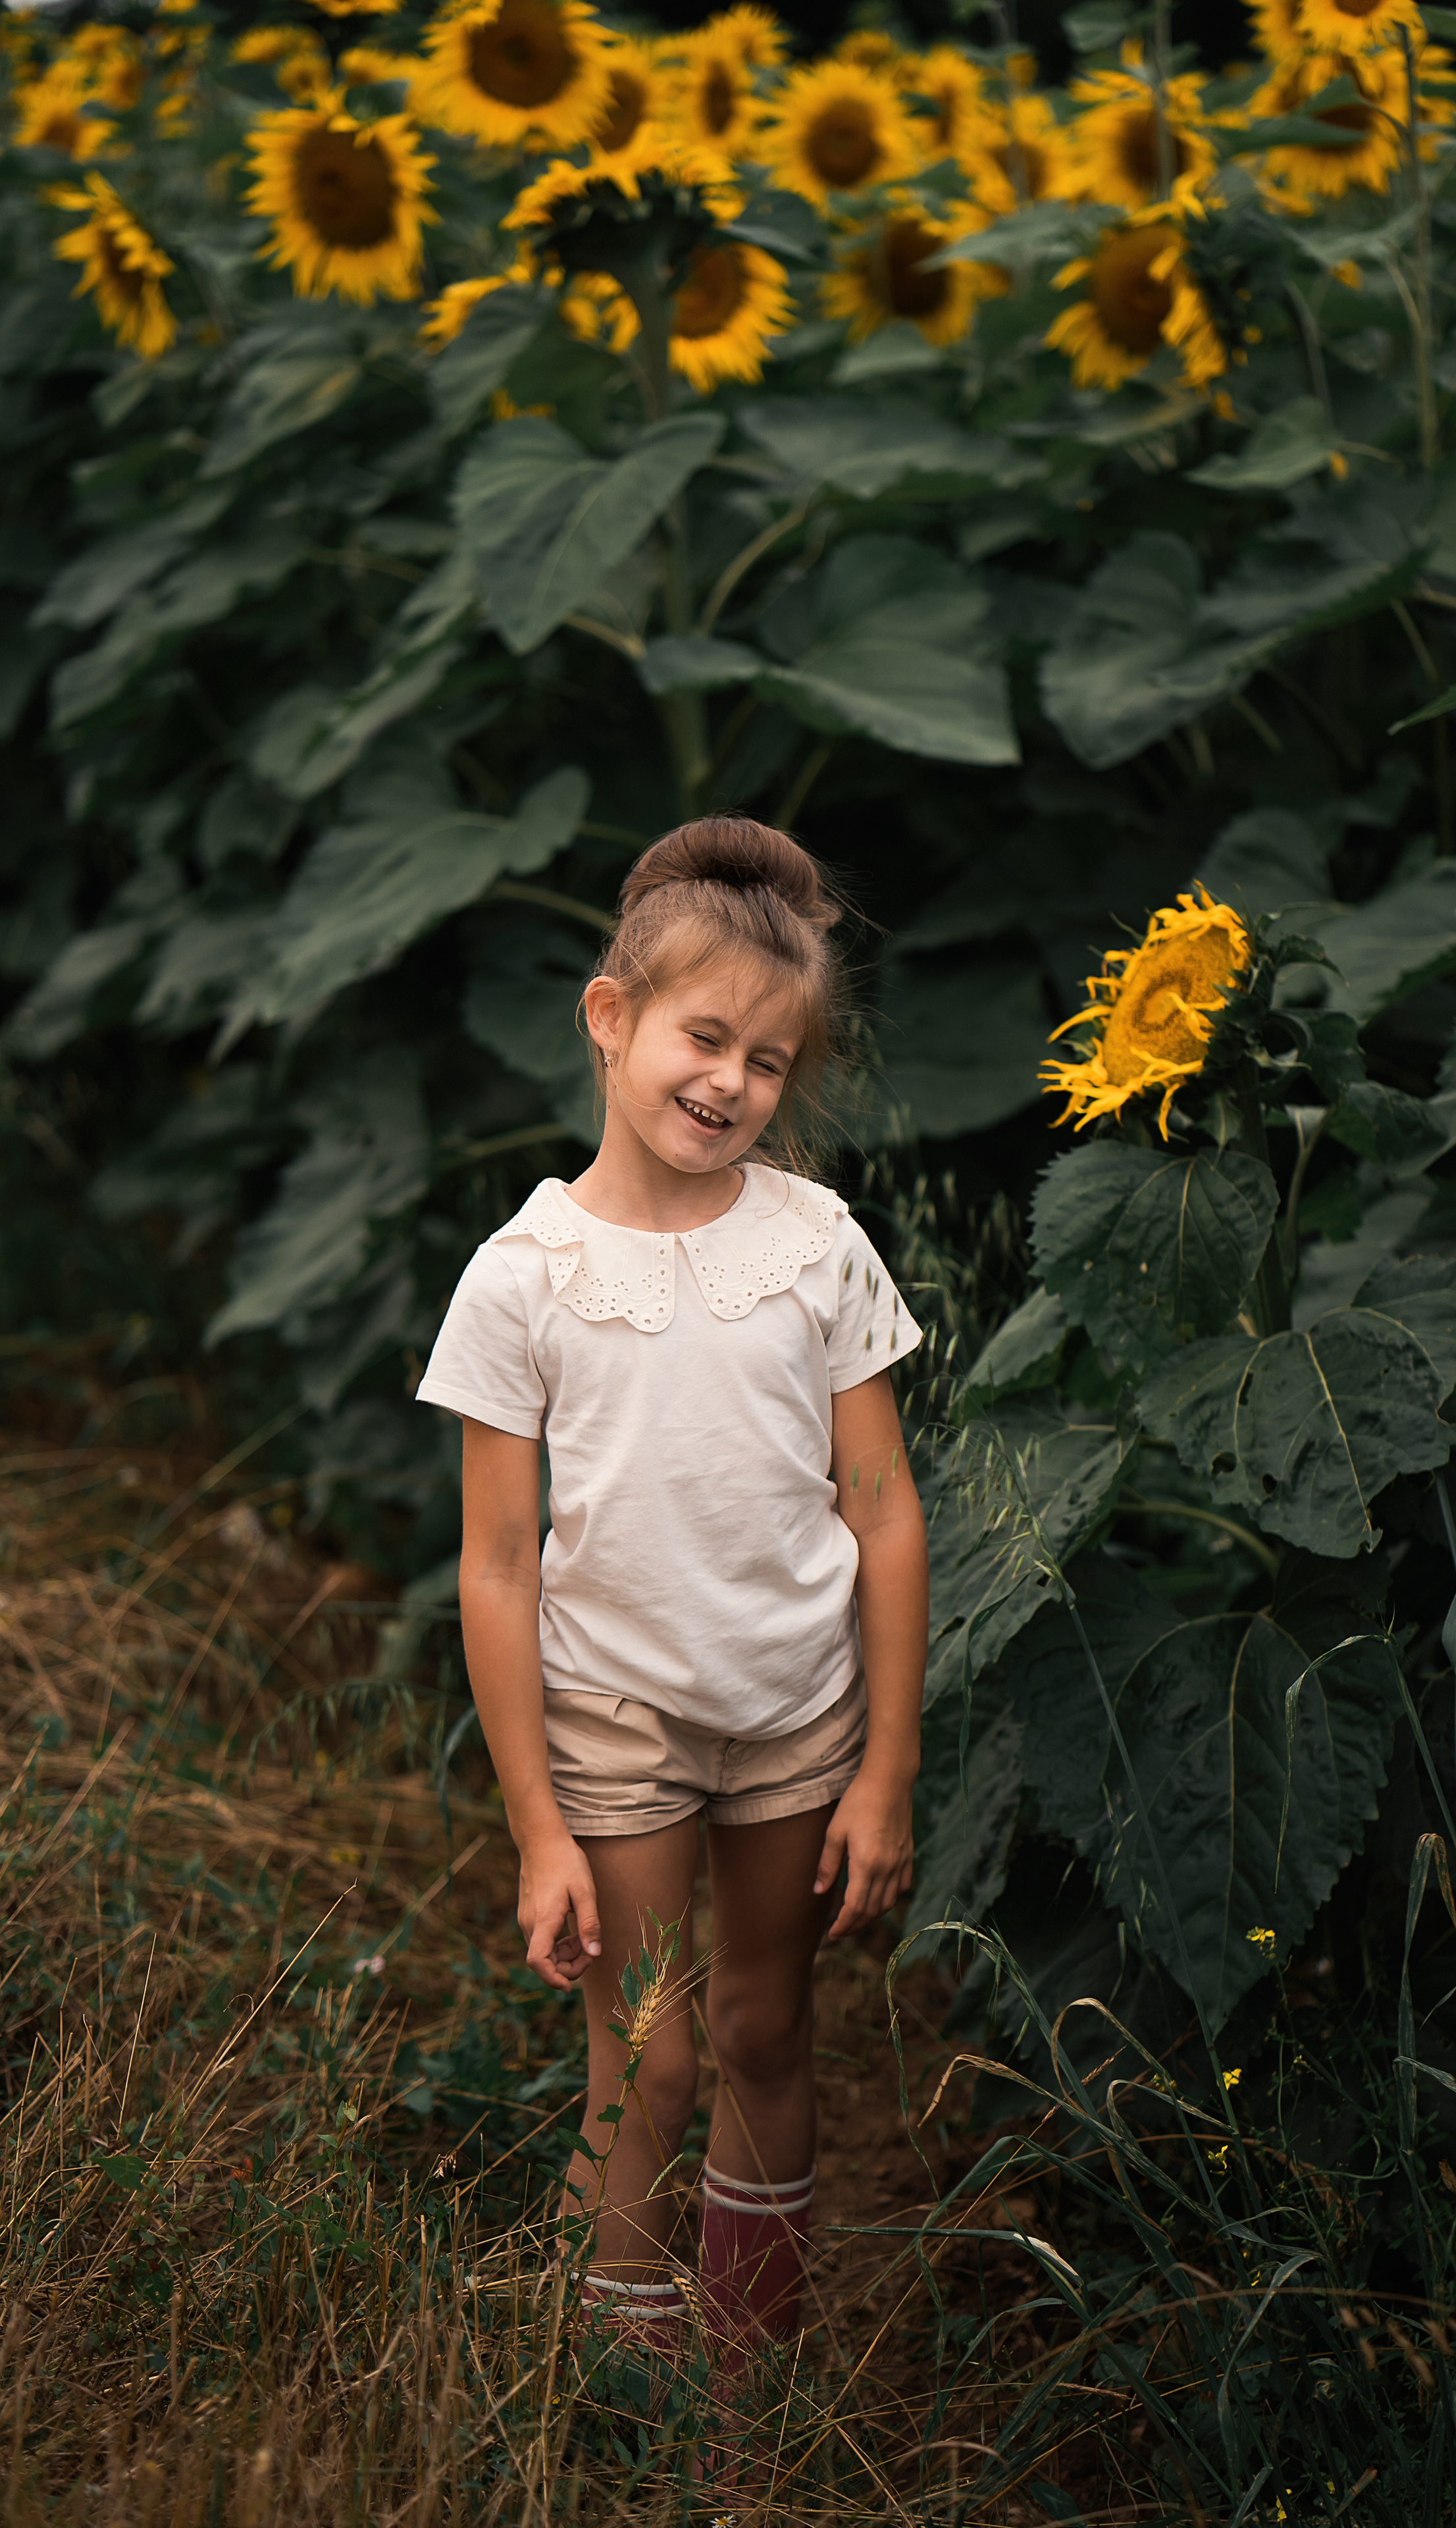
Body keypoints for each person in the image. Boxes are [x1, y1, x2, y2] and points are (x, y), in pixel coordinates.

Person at [415, 815, 929, 2365]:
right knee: (646, 2057)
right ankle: (622, 2397)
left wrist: (887, 1769)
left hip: (793, 1716)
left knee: (770, 2034)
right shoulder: (525, 1275)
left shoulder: (815, 1245)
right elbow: (499, 1565)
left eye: (769, 1062)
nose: (730, 1082)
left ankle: (753, 2387)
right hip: (618, 1721)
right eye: (704, 1036)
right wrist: (534, 1826)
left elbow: (884, 1508)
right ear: (610, 1017)